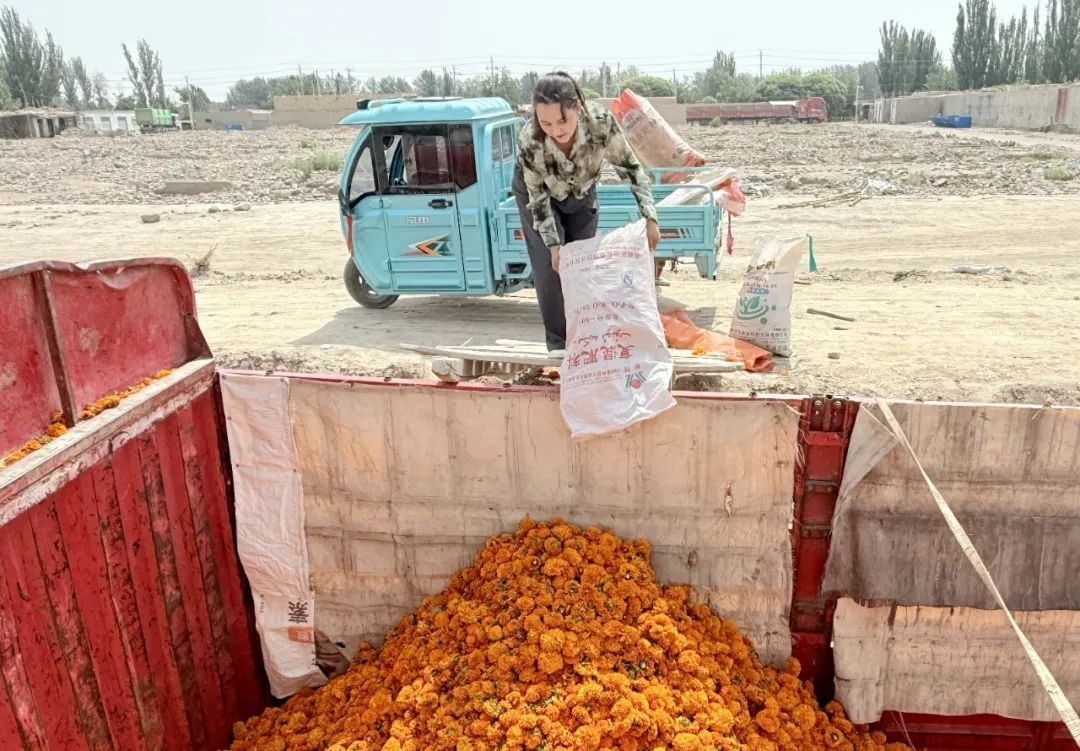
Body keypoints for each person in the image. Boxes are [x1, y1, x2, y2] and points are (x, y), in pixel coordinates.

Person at [513, 71, 661, 354]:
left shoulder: (600, 124)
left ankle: (586, 341)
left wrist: (650, 217)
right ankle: (559, 347)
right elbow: (538, 199)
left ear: (578, 108)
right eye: (545, 123)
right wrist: (553, 245)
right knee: (551, 268)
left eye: (562, 120)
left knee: (582, 266)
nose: (555, 130)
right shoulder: (530, 140)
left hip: (581, 191)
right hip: (540, 195)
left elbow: (630, 169)